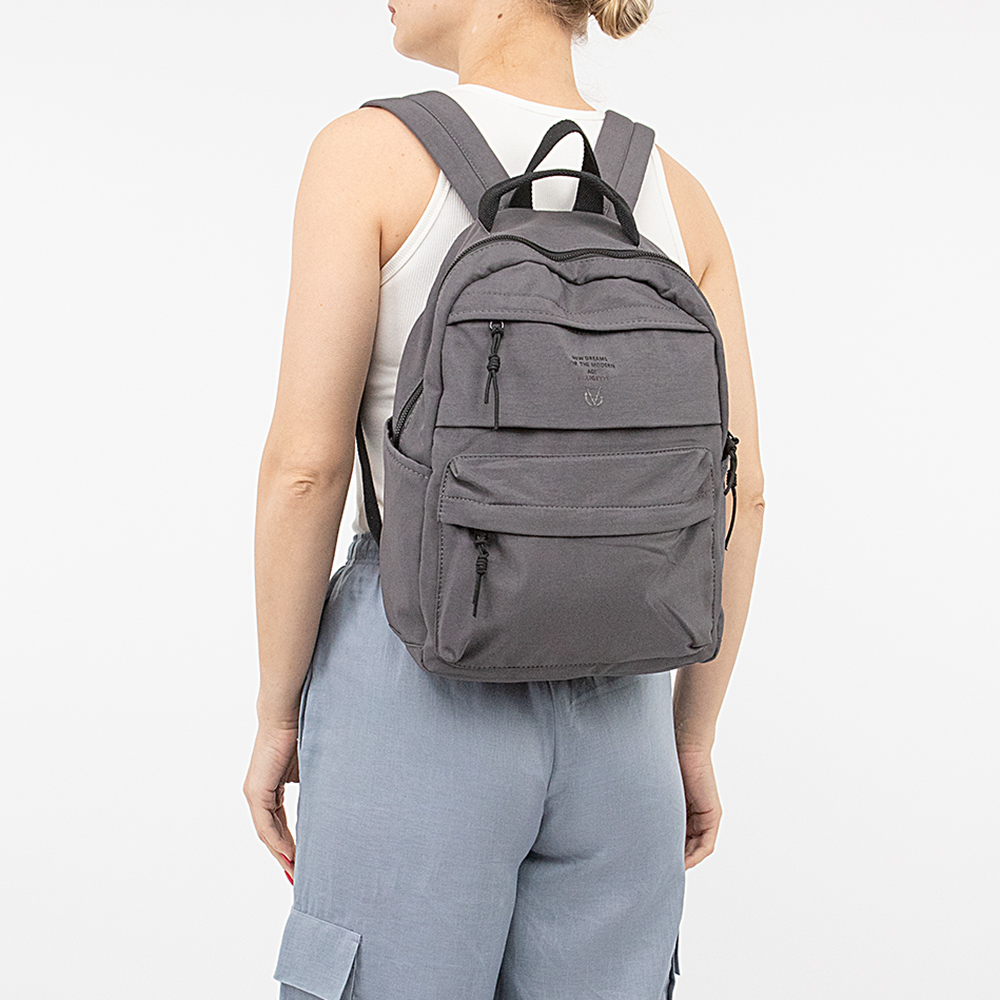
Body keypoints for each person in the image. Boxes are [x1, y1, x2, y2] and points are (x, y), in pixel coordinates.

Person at [244, 1, 766, 997]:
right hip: (624, 709)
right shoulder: (678, 194)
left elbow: (305, 469)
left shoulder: (368, 155)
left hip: (416, 673)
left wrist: (279, 714)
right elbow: (744, 495)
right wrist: (690, 739)